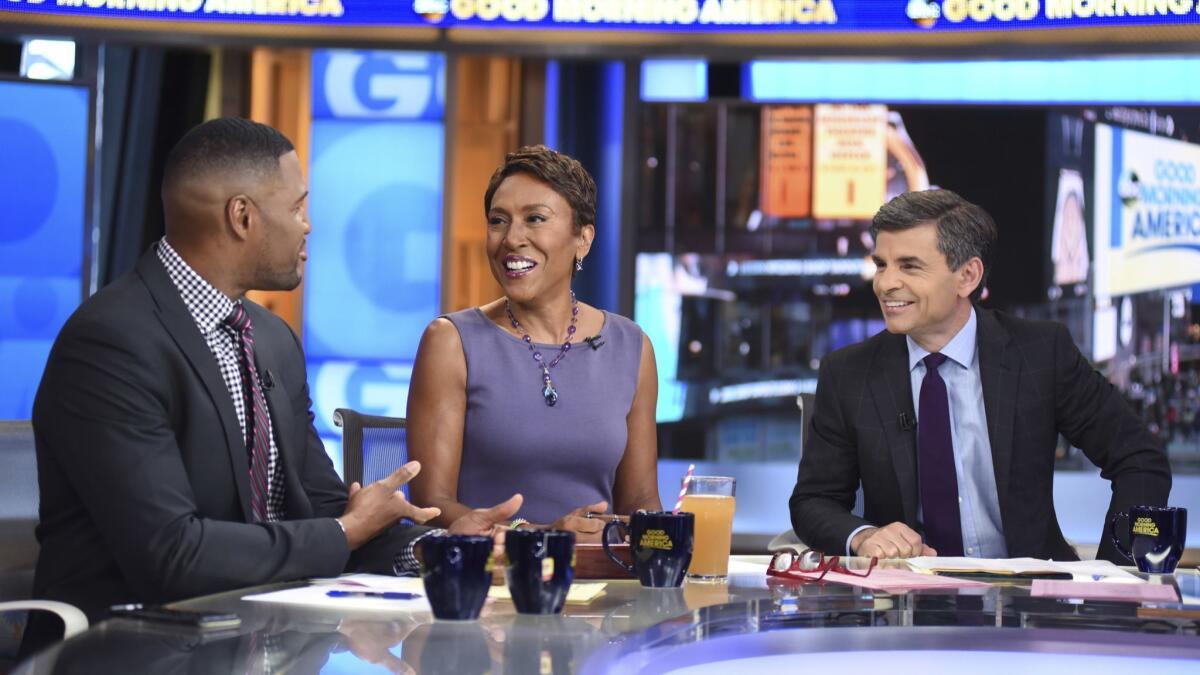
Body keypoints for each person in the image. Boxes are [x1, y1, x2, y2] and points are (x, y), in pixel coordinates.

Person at [27, 118, 520, 652]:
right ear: (242, 217)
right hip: (135, 654)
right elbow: (171, 555)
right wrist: (345, 533)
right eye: (297, 207)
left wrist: (439, 548)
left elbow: (326, 510)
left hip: (263, 645)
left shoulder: (272, 339)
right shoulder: (111, 343)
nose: (308, 225)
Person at [789, 189, 1170, 563]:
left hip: (1029, 603)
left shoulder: (1039, 353)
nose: (885, 283)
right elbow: (813, 501)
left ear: (967, 276)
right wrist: (864, 536)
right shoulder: (850, 372)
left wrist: (1115, 574)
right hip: (907, 606)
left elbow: (1139, 458)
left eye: (909, 266)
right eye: (881, 265)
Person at [407, 145, 661, 541]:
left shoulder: (633, 347)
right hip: (489, 582)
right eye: (498, 221)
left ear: (583, 239)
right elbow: (432, 504)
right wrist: (541, 535)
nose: (512, 239)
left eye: (535, 219)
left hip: (601, 585)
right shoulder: (450, 342)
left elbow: (641, 503)